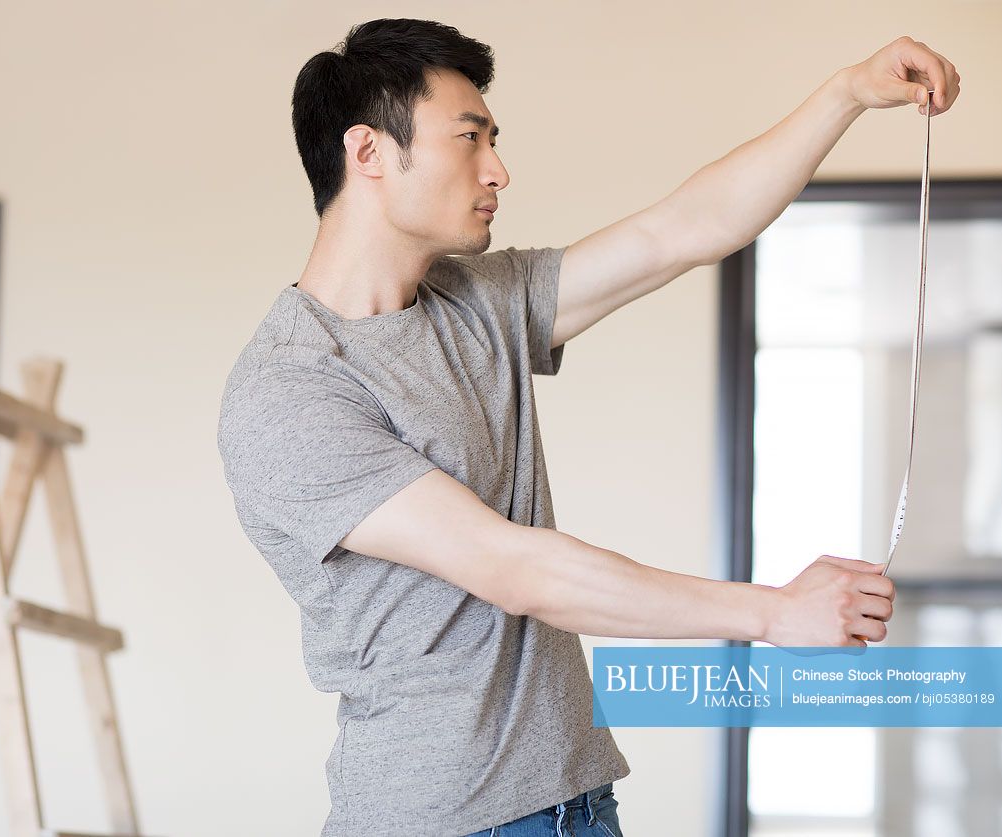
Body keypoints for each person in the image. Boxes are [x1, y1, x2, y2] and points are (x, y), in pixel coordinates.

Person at [216, 18, 960, 837]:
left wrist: (846, 92)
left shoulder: (475, 300)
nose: (497, 168)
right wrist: (770, 612)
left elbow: (683, 228)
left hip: (577, 802)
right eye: (469, 138)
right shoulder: (291, 387)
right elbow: (517, 569)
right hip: (443, 821)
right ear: (367, 152)